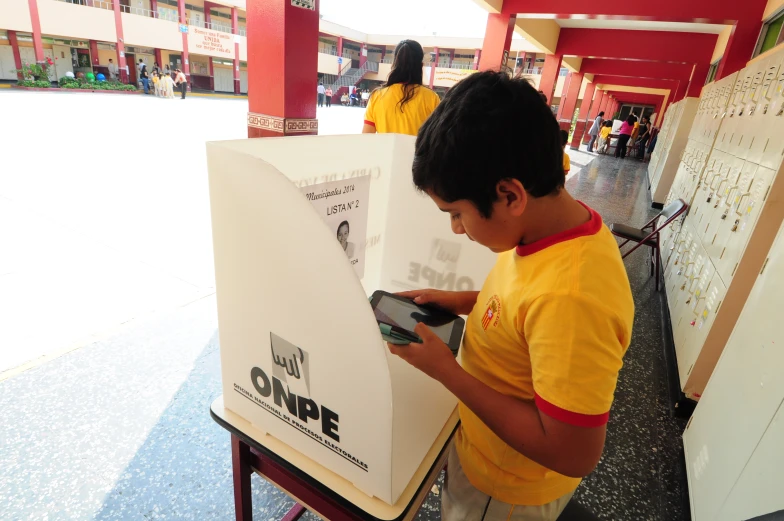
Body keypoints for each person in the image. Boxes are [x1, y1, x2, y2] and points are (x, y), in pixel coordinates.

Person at [389, 71, 633, 521]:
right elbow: (527, 304)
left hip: (505, 492)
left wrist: (448, 372)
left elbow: (573, 452)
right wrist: (461, 300)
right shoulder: (551, 231)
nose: (456, 229)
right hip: (485, 453)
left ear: (509, 194)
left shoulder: (574, 297)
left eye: (457, 213)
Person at [362, 39, 440, 136]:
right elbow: (438, 139)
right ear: (421, 66)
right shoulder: (431, 98)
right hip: (417, 152)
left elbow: (366, 137)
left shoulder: (377, 96)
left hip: (386, 151)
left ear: (394, 64)